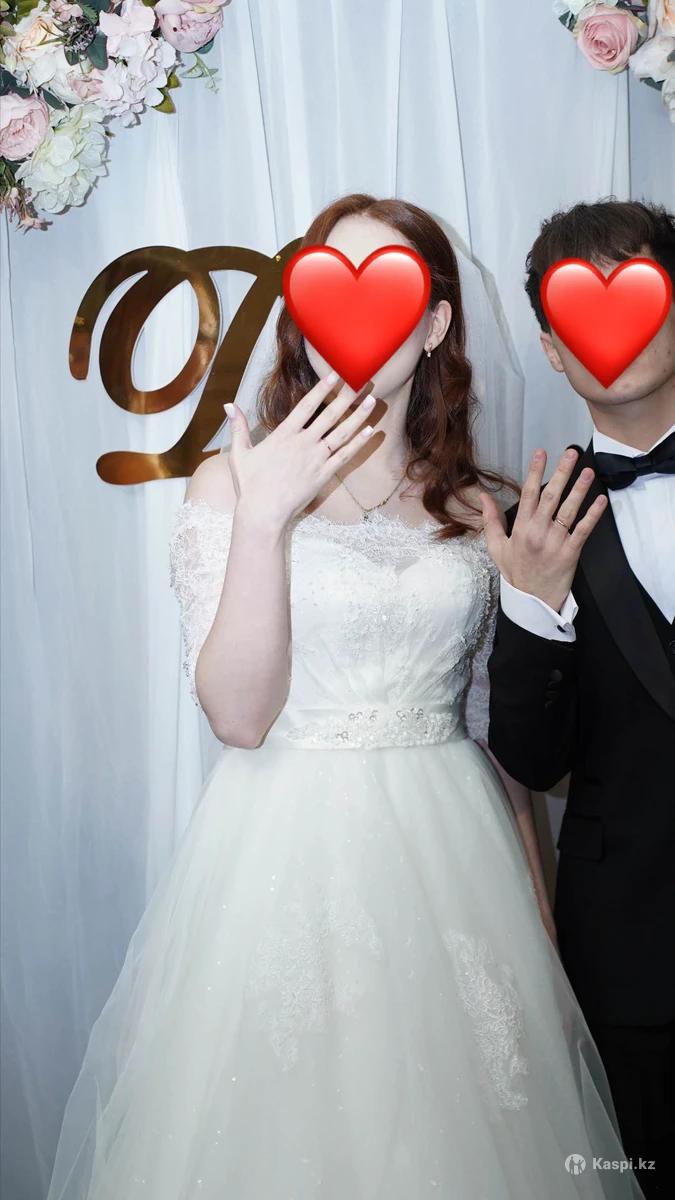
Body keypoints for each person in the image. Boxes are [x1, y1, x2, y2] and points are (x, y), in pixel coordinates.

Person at [46, 194, 644, 1199]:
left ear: (436, 323)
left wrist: (538, 930)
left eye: (390, 289)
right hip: (281, 855)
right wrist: (266, 519)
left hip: (457, 865)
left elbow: (499, 743)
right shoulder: (231, 483)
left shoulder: (481, 508)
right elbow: (238, 717)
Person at [482, 200, 675, 1200]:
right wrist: (530, 606)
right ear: (554, 352)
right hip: (631, 949)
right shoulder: (532, 525)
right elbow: (531, 758)